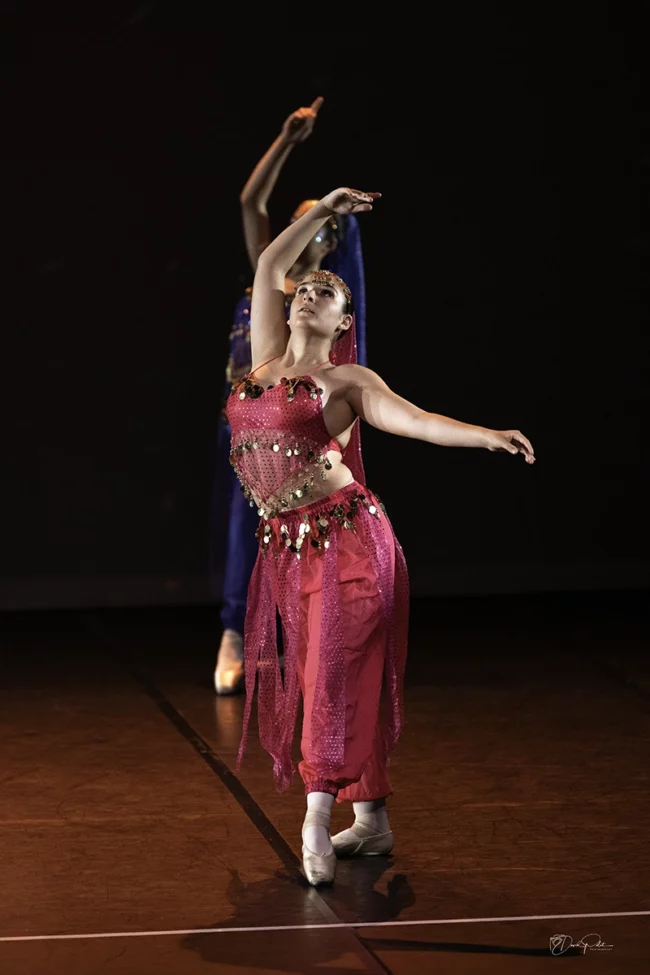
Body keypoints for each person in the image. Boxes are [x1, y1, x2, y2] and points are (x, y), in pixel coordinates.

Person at [225, 187, 535, 885]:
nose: (310, 290)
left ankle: (314, 817)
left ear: (345, 320)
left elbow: (419, 419)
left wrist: (486, 436)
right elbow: (274, 251)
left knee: (331, 672)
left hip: (352, 545)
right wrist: (323, 210)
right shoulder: (267, 356)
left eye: (326, 290)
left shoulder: (348, 380)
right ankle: (372, 819)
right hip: (290, 550)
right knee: (322, 674)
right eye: (305, 286)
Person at [212, 98, 367, 694]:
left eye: (316, 221)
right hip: (245, 414)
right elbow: (252, 203)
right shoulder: (269, 274)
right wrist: (285, 141)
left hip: (292, 424)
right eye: (296, 217)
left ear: (330, 241)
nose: (300, 227)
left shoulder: (315, 296)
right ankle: (233, 632)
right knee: (239, 521)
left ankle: (300, 640)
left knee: (296, 524)